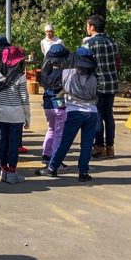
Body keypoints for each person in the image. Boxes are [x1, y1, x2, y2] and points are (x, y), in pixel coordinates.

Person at [37, 48, 98, 182]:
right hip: (92, 113)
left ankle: (52, 168)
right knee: (87, 145)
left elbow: (53, 80)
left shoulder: (67, 73)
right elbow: (95, 95)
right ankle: (83, 173)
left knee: (65, 142)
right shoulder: (94, 78)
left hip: (74, 112)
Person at [0, 45, 30, 183]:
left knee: (2, 142)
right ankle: (12, 173)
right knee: (13, 144)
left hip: (1, 113)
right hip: (16, 114)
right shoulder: (20, 77)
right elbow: (24, 98)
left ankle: (3, 171)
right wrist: (28, 116)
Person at [84, 15, 119, 159]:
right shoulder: (113, 42)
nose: (87, 28)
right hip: (112, 83)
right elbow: (117, 61)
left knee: (97, 115)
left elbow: (84, 65)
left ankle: (99, 146)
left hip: (96, 84)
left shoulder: (89, 44)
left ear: (92, 27)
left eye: (87, 25)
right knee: (108, 115)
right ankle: (110, 147)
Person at [40, 43, 70, 169]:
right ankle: (55, 159)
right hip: (59, 105)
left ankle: (46, 155)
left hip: (47, 105)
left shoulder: (45, 73)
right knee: (59, 133)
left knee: (51, 129)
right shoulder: (64, 73)